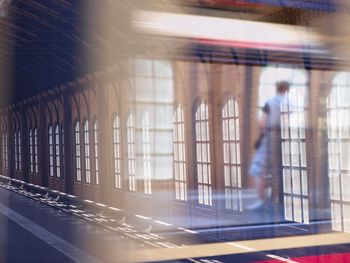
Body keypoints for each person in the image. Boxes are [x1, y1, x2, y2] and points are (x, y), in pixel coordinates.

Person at [247, 80, 290, 209]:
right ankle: (280, 199)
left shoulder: (270, 103)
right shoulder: (292, 104)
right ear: (287, 90)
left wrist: (260, 137)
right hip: (287, 138)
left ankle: (262, 201)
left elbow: (262, 123)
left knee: (259, 168)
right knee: (281, 170)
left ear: (277, 88)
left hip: (271, 137)